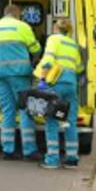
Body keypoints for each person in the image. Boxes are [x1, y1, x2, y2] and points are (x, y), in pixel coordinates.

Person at [0, 3, 43, 161]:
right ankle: (29, 150)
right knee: (25, 110)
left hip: (0, 75)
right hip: (20, 75)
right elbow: (35, 49)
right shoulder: (22, 27)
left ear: (5, 14)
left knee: (7, 112)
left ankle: (8, 150)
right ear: (17, 15)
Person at [38, 20, 85, 169]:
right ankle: (72, 158)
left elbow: (48, 60)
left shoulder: (53, 39)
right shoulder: (72, 44)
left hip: (55, 83)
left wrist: (42, 79)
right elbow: (79, 68)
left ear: (57, 28)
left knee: (52, 120)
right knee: (70, 121)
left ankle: (52, 159)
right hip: (70, 85)